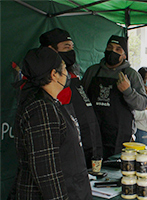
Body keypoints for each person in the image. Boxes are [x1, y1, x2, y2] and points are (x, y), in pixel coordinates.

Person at [12, 47, 91, 199]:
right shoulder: (41, 108)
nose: (67, 73)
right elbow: (47, 173)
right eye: (63, 68)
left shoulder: (49, 102)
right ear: (54, 75)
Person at [39, 28, 103, 168]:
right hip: (70, 156)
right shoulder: (48, 83)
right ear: (50, 50)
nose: (71, 52)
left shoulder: (73, 73)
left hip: (90, 146)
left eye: (72, 47)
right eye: (66, 47)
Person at [82, 35, 147, 159]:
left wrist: (128, 91)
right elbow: (82, 99)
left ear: (124, 55)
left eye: (118, 49)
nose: (113, 51)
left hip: (120, 136)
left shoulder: (131, 74)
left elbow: (142, 104)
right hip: (93, 133)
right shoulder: (92, 71)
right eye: (110, 47)